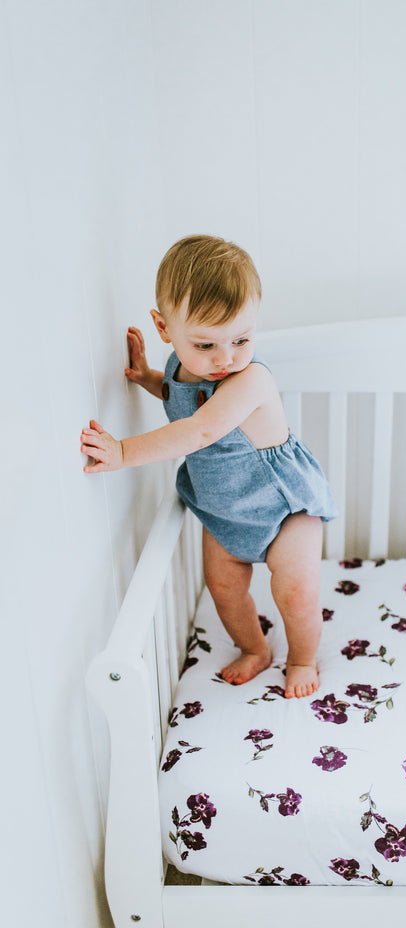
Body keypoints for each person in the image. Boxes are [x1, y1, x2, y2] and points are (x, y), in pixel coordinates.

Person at [81, 235, 336, 698]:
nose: (225, 359)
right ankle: (254, 649)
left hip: (283, 509)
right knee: (223, 590)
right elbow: (181, 400)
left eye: (241, 338)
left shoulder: (250, 380)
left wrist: (123, 452)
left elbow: (199, 430)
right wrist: (148, 379)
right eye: (206, 344)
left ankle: (300, 658)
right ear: (164, 328)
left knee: (296, 593)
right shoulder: (181, 365)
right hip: (222, 509)